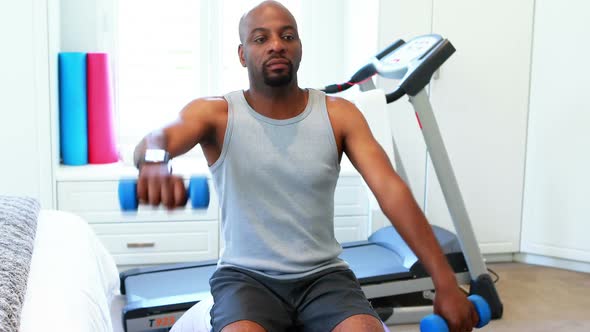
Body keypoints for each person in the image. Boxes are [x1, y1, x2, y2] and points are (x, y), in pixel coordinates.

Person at [133, 1, 478, 331]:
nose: (276, 46)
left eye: (287, 36)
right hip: (245, 277)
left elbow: (391, 191)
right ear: (242, 54)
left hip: (324, 277)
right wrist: (154, 161)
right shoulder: (216, 114)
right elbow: (158, 138)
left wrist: (444, 281)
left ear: (299, 46)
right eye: (260, 38)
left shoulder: (338, 114)